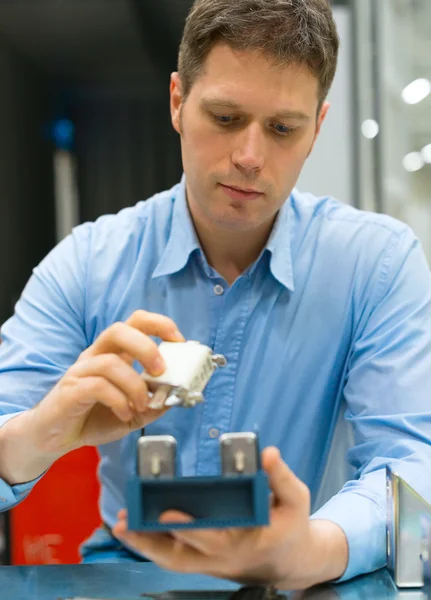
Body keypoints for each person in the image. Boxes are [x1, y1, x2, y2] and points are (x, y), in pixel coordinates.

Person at [0, 0, 431, 590]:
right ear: (177, 101)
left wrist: (310, 548)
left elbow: (414, 473)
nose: (250, 158)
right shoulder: (88, 262)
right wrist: (41, 433)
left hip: (309, 581)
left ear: (318, 129)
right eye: (226, 118)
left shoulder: (377, 264)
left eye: (283, 128)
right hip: (129, 578)